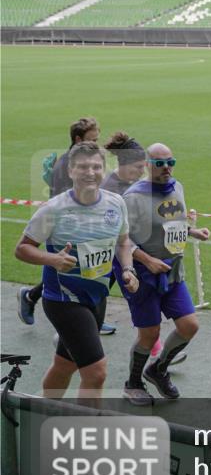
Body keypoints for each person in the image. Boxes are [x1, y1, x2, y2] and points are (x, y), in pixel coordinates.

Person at [13, 141, 139, 401]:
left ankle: (42, 411)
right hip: (63, 299)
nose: (90, 172)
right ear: (70, 171)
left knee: (65, 364)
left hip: (97, 296)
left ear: (104, 169)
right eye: (83, 167)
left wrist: (128, 269)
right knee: (96, 373)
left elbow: (123, 241)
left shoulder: (116, 203)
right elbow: (23, 248)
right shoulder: (53, 209)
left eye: (96, 166)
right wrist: (52, 259)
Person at [118, 143, 210, 405]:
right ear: (147, 165)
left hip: (171, 270)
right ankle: (133, 382)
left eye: (171, 162)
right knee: (150, 333)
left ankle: (157, 370)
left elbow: (172, 223)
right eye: (160, 163)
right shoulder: (132, 198)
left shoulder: (177, 187)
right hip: (142, 273)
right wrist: (148, 261)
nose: (166, 167)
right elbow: (120, 240)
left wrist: (193, 232)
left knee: (190, 325)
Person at [18, 118, 117, 335]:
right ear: (78, 139)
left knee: (97, 266)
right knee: (77, 270)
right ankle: (40, 300)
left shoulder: (81, 162)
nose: (96, 144)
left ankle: (85, 315)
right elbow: (66, 201)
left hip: (89, 230)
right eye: (92, 139)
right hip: (72, 233)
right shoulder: (68, 166)